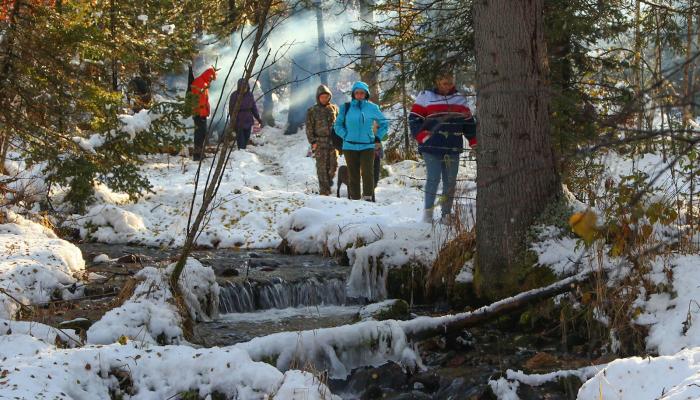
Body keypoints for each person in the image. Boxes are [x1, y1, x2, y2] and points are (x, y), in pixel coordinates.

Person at [409, 71, 476, 224]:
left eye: (450, 83)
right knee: (433, 178)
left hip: (452, 147)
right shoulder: (425, 96)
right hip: (431, 146)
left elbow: (469, 124)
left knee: (450, 181)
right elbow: (414, 119)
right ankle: (428, 214)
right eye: (445, 83)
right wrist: (422, 137)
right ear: (438, 82)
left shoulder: (460, 99)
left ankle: (446, 214)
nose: (448, 86)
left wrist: (473, 141)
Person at [334, 81, 388, 201]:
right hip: (349, 146)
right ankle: (355, 200)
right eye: (357, 93)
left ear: (366, 94)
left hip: (367, 146)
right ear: (353, 94)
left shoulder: (372, 108)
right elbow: (337, 125)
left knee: (368, 173)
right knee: (353, 174)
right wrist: (345, 135)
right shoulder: (345, 107)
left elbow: (384, 123)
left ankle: (368, 198)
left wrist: (378, 137)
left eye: (362, 93)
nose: (359, 95)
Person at [306, 84, 339, 195]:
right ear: (318, 97)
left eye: (326, 97)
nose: (324, 99)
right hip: (319, 142)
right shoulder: (312, 110)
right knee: (321, 167)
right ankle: (324, 191)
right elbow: (309, 127)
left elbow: (339, 124)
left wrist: (340, 141)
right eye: (322, 97)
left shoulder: (334, 108)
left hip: (333, 142)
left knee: (333, 166)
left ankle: (328, 182)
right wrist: (313, 142)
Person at [190, 67, 217, 161]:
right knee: (199, 135)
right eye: (211, 78)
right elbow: (200, 101)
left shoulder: (203, 82)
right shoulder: (200, 83)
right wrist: (201, 113)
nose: (211, 80)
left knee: (201, 134)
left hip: (201, 114)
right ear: (208, 75)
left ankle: (200, 153)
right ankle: (197, 155)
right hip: (199, 114)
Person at [229, 78, 263, 150]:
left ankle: (243, 154)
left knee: (246, 140)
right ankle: (241, 155)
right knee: (241, 142)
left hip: (248, 121)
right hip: (239, 121)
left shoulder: (250, 95)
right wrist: (233, 122)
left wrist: (258, 118)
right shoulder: (234, 95)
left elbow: (253, 107)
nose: (244, 88)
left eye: (245, 86)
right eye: (242, 87)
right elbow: (231, 109)